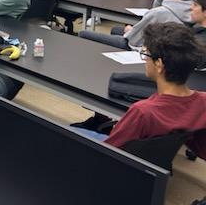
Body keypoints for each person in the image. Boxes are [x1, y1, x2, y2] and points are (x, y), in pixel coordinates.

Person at [79, 23, 206, 160]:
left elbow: (107, 154)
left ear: (159, 65)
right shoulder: (203, 102)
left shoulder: (143, 112)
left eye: (146, 54)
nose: (145, 59)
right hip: (153, 164)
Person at [79, 0, 196, 50]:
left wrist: (130, 30)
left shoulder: (159, 13)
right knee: (116, 29)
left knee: (83, 34)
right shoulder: (190, 9)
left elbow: (133, 39)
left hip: (141, 47)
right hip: (163, 46)